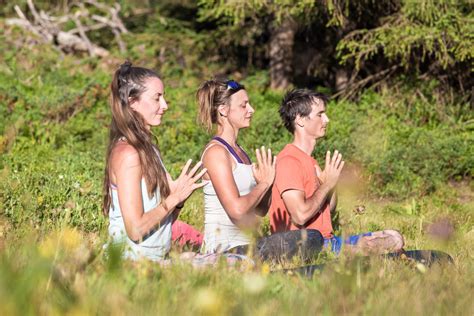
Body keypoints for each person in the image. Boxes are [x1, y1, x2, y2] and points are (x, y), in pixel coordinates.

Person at [197, 79, 324, 262]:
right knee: (310, 237)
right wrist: (263, 183)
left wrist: (268, 182)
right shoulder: (216, 153)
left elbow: (262, 209)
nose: (251, 110)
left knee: (311, 238)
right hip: (224, 250)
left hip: (246, 247)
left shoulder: (241, 153)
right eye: (243, 105)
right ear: (223, 110)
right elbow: (237, 210)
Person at [269, 89, 404, 255]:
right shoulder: (289, 161)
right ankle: (354, 252)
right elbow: (300, 215)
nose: (327, 119)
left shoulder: (310, 162)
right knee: (379, 245)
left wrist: (330, 186)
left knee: (393, 237)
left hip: (328, 241)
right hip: (303, 247)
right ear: (300, 119)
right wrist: (327, 184)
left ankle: (354, 250)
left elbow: (329, 209)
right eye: (320, 114)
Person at [102, 61, 206, 262]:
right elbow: (135, 229)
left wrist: (178, 201)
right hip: (130, 263)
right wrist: (172, 199)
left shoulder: (149, 149)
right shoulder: (128, 154)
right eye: (157, 98)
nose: (165, 105)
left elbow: (162, 224)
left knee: (238, 262)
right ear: (133, 102)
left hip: (154, 259)